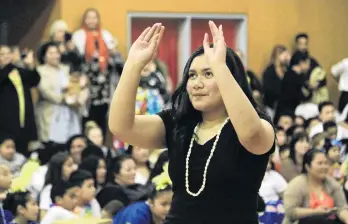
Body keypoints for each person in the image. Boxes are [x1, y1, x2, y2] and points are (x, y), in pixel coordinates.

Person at [108, 21, 275, 223]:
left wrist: (220, 67)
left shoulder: (259, 125)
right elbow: (121, 127)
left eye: (208, 73)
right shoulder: (177, 124)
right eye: (192, 75)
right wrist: (133, 66)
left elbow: (250, 133)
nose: (197, 83)